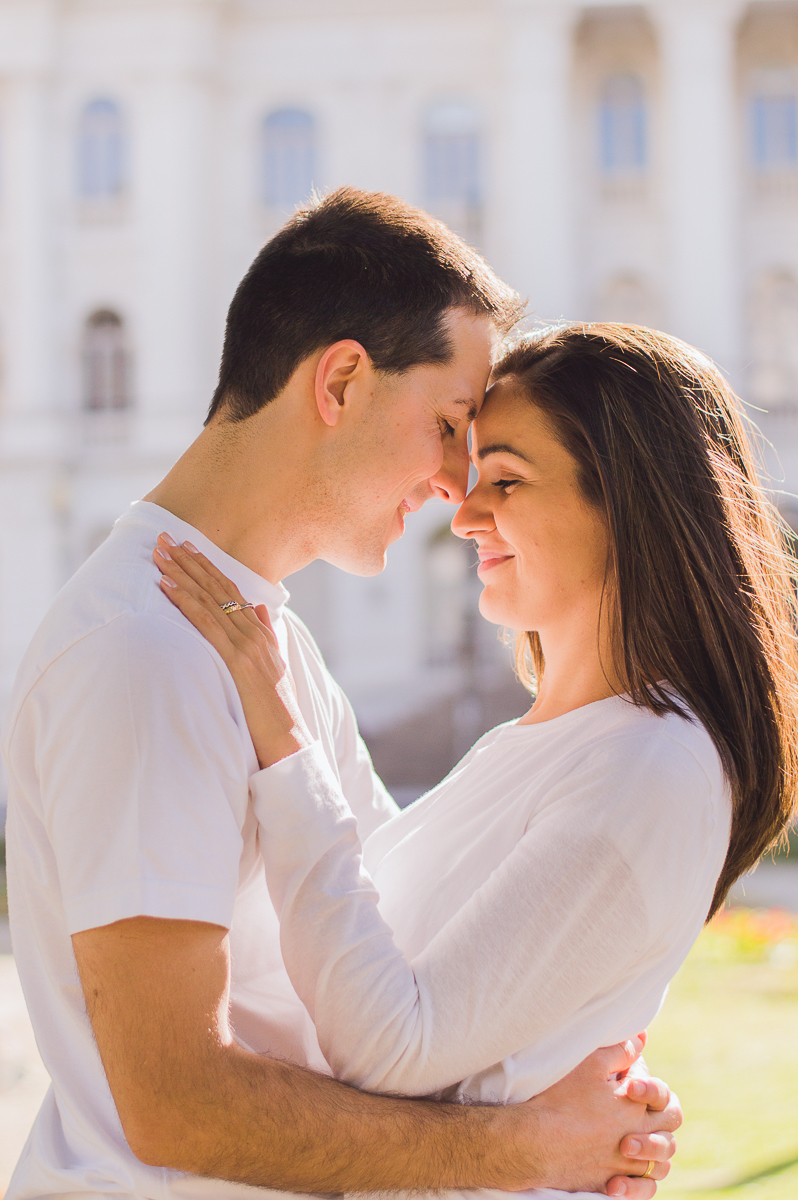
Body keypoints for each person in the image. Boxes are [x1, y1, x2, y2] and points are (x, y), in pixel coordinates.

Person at [3, 191, 680, 1200]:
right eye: (450, 424)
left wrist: (583, 1093)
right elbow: (177, 1103)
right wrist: (535, 1148)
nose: (460, 484)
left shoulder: (261, 640)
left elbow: (394, 949)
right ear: (344, 381)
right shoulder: (143, 651)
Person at [151, 323, 798, 1198]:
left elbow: (391, 1047)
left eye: (507, 480)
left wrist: (281, 739)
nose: (464, 512)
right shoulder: (554, 741)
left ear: (627, 506)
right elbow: (378, 903)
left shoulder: (649, 768)